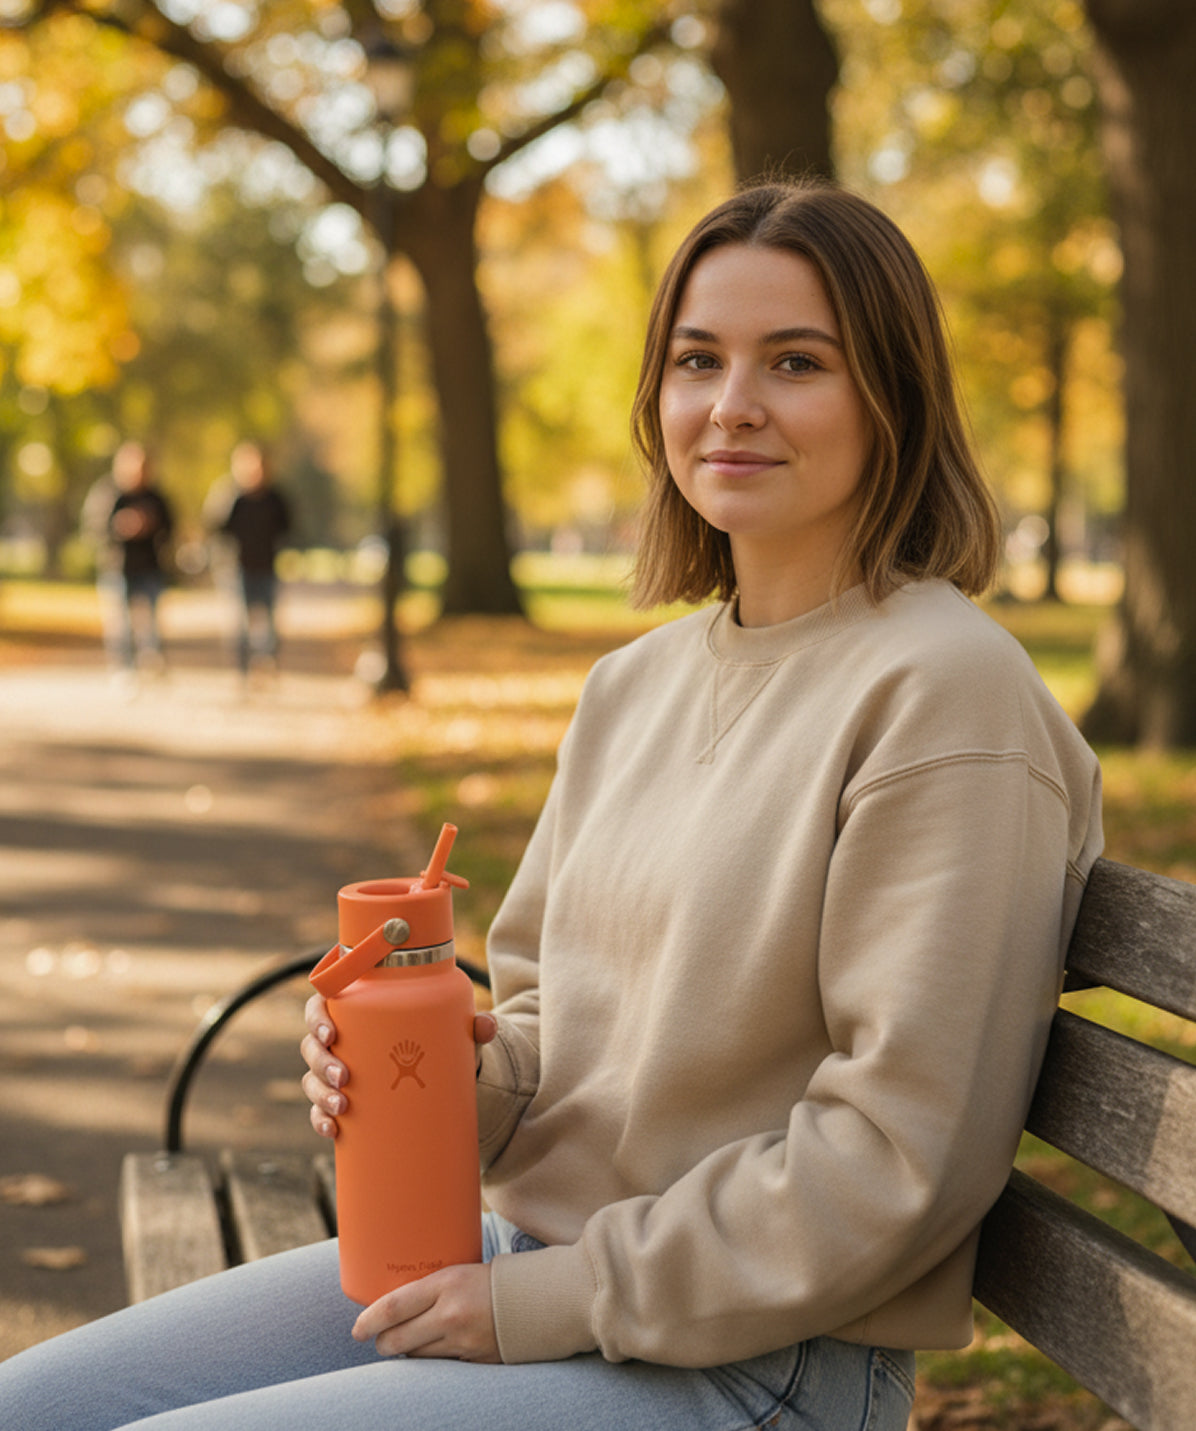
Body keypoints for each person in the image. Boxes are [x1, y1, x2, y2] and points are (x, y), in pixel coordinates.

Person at [0, 180, 1102, 1430]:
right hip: (535, 1267)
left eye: (795, 362)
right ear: (657, 398)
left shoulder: (944, 694)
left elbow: (900, 1155)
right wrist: (422, 1072)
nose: (731, 403)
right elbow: (543, 1035)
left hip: (755, 1363)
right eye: (697, 360)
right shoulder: (633, 685)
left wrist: (541, 1303)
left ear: (889, 397)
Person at [86, 441, 175, 675]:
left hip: (150, 567)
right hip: (116, 567)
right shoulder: (108, 493)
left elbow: (170, 528)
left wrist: (151, 525)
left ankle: (152, 660)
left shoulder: (156, 496)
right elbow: (94, 527)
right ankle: (123, 669)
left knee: (151, 623)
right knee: (120, 625)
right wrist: (121, 526)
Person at [205, 441, 292, 675]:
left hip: (266, 565)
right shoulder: (228, 494)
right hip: (235, 568)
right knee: (239, 623)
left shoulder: (274, 496)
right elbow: (214, 526)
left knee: (269, 622)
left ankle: (266, 662)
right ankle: (242, 669)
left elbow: (287, 526)